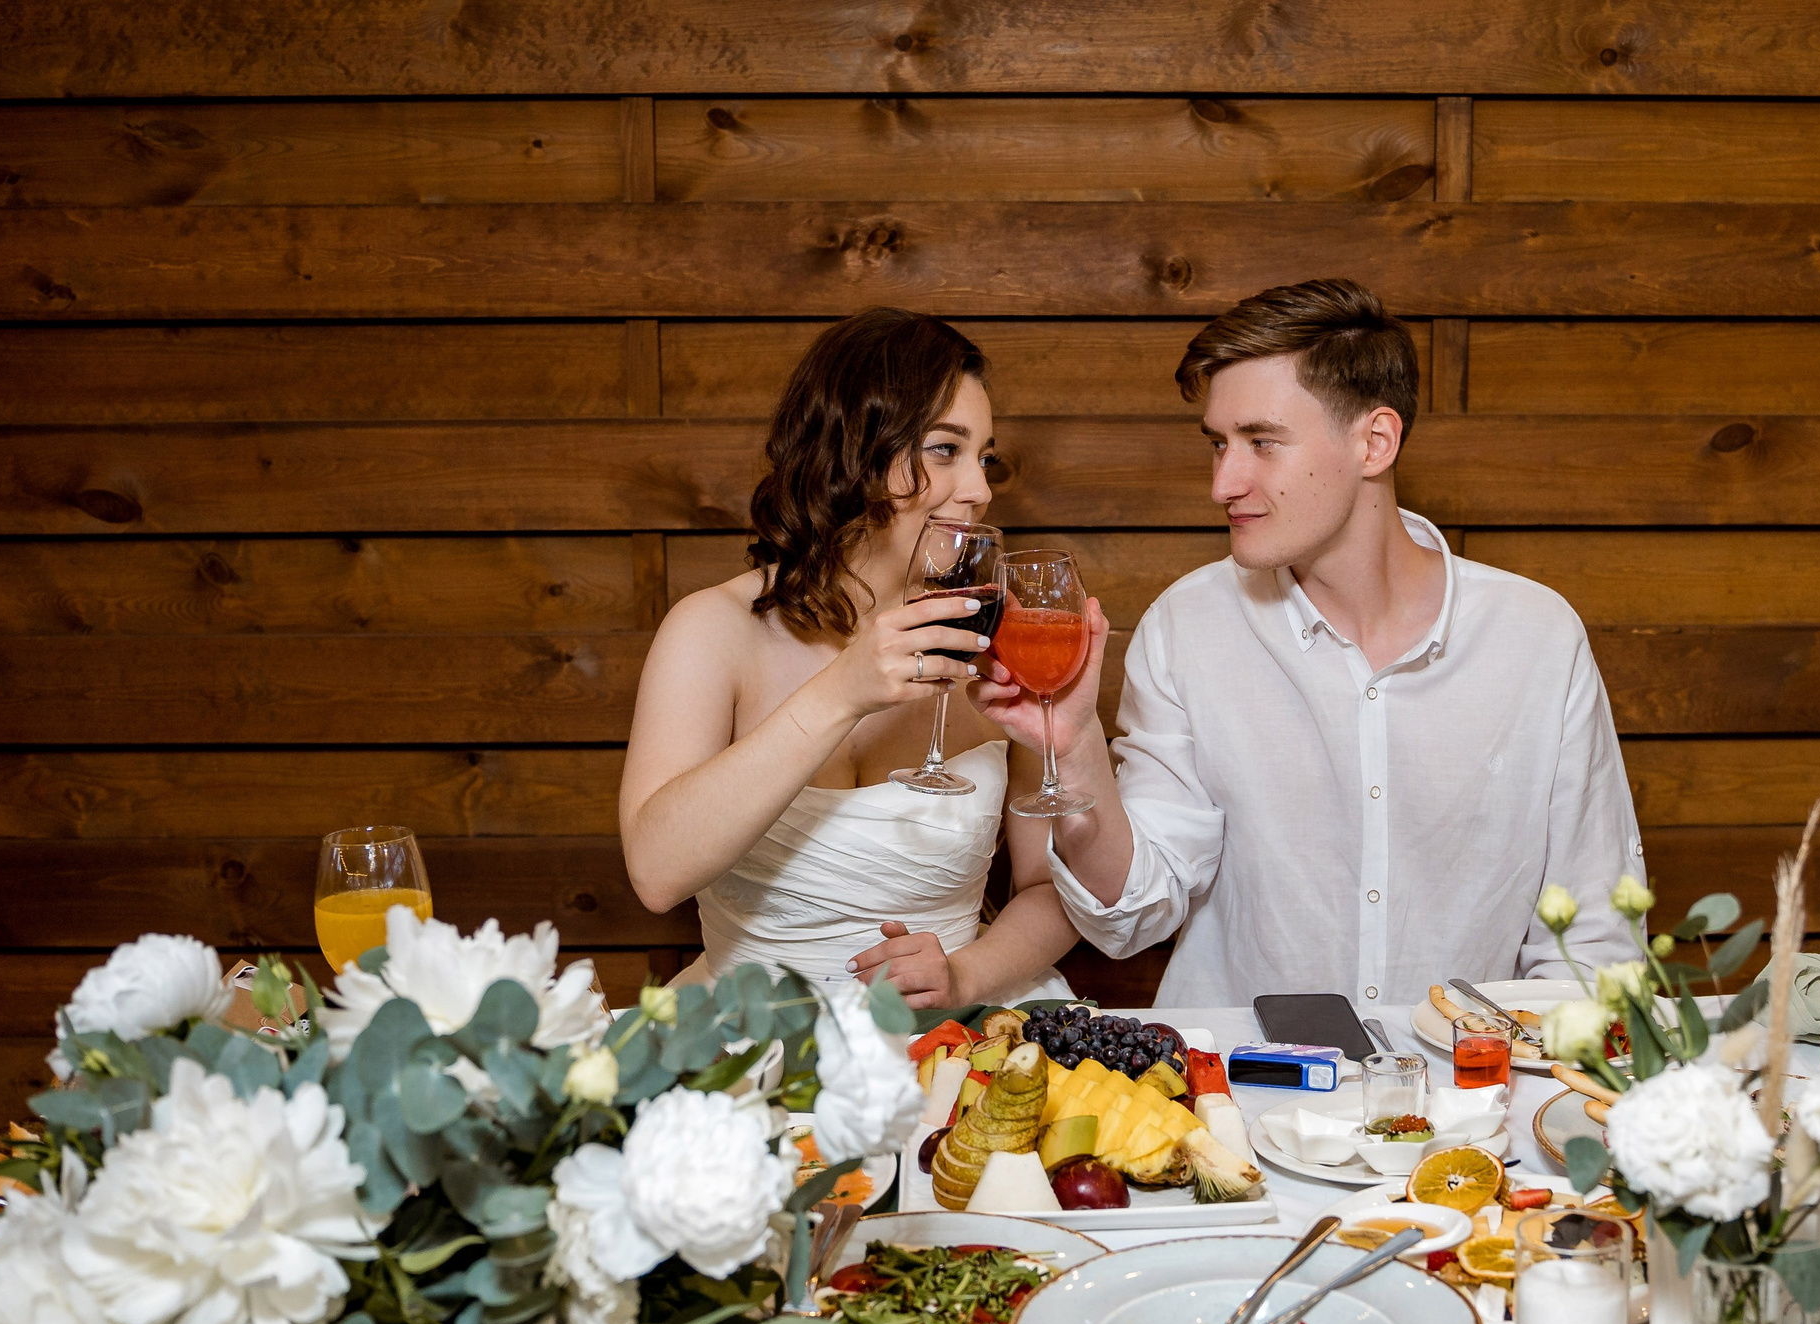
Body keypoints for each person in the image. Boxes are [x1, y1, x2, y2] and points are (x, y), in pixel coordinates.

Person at [973, 279, 1643, 1007]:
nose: (1224, 482)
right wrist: (1074, 754)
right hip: (1236, 1099)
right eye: (1219, 445)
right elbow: (1133, 911)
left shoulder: (1537, 637)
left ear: (1374, 442)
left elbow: (1595, 945)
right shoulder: (1184, 628)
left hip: (1470, 1100)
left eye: (1262, 442)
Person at [620, 310, 1077, 1008]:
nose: (981, 489)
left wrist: (966, 976)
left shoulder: (994, 640)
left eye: (984, 457)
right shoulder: (712, 630)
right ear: (854, 454)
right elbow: (655, 873)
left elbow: (1052, 889)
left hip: (956, 1028)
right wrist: (843, 691)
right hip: (751, 1034)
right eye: (945, 450)